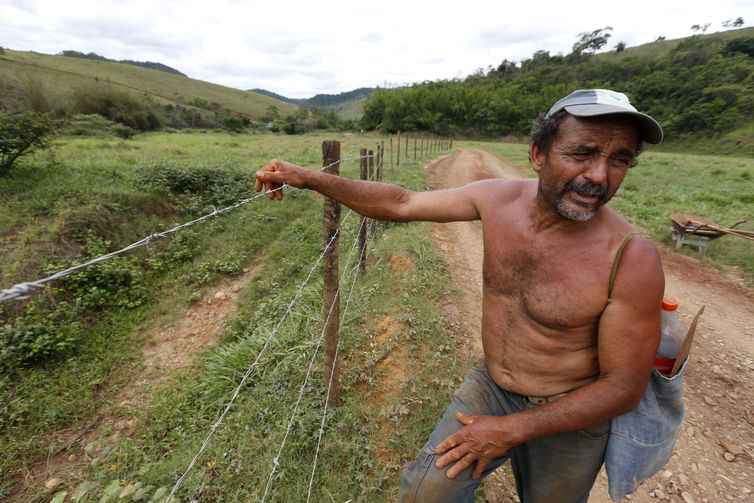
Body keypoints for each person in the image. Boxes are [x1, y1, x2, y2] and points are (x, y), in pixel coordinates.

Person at [255, 89, 666, 503]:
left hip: (572, 415)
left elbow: (623, 387)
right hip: (493, 386)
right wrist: (308, 178)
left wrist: (510, 430)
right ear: (538, 154)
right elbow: (402, 202)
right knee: (426, 495)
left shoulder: (630, 258)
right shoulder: (498, 200)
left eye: (619, 159)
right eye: (583, 153)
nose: (599, 175)